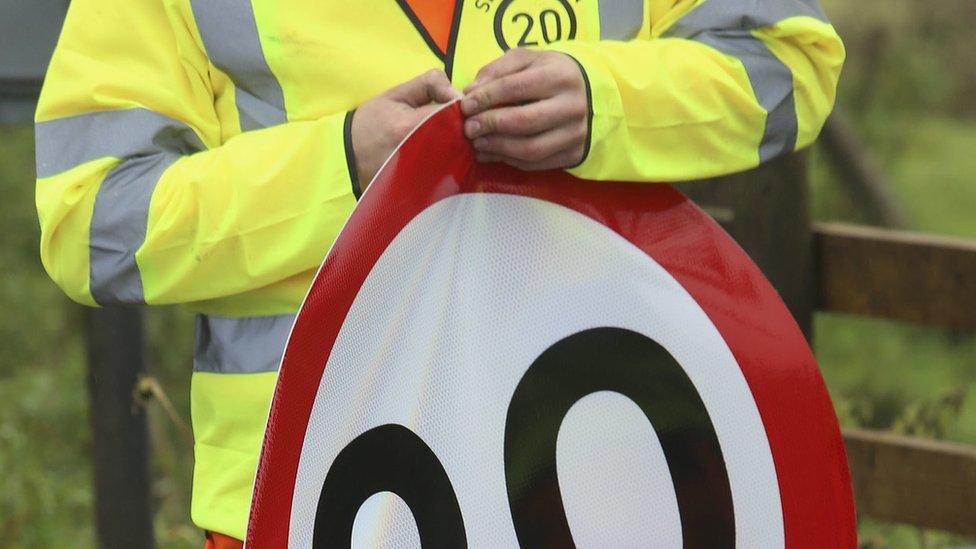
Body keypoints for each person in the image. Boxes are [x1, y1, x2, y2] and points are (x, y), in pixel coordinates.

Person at [35, 0, 844, 545]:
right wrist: (343, 162)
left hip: (591, 486)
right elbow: (91, 221)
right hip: (307, 496)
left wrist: (608, 102)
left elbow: (786, 61)